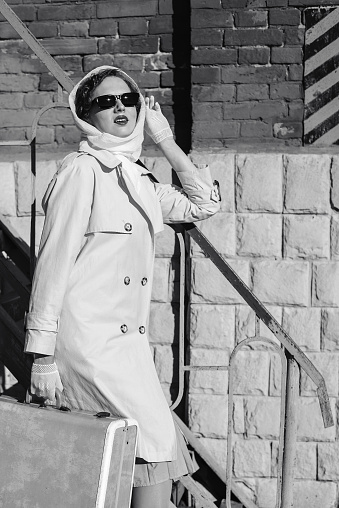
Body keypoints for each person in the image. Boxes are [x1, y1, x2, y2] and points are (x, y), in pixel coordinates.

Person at [24, 66, 221, 508]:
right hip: (88, 344)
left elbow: (204, 203)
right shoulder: (81, 171)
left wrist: (164, 138)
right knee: (150, 443)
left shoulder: (139, 178)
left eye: (128, 100)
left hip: (127, 346)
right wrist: (41, 356)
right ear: (85, 115)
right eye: (105, 102)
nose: (120, 107)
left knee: (144, 452)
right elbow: (52, 264)